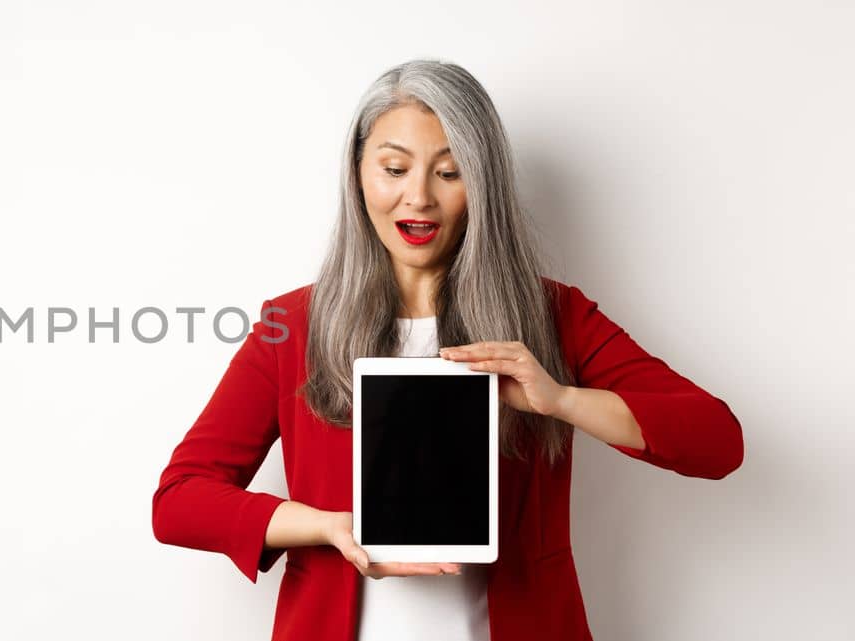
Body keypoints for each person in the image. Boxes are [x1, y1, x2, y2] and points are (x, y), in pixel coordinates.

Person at [149, 59, 745, 641]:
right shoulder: (294, 325)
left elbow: (717, 441)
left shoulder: (552, 317)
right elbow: (179, 500)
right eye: (394, 168)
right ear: (359, 174)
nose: (419, 198)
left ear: (482, 184)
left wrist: (560, 399)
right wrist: (331, 529)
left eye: (449, 172)